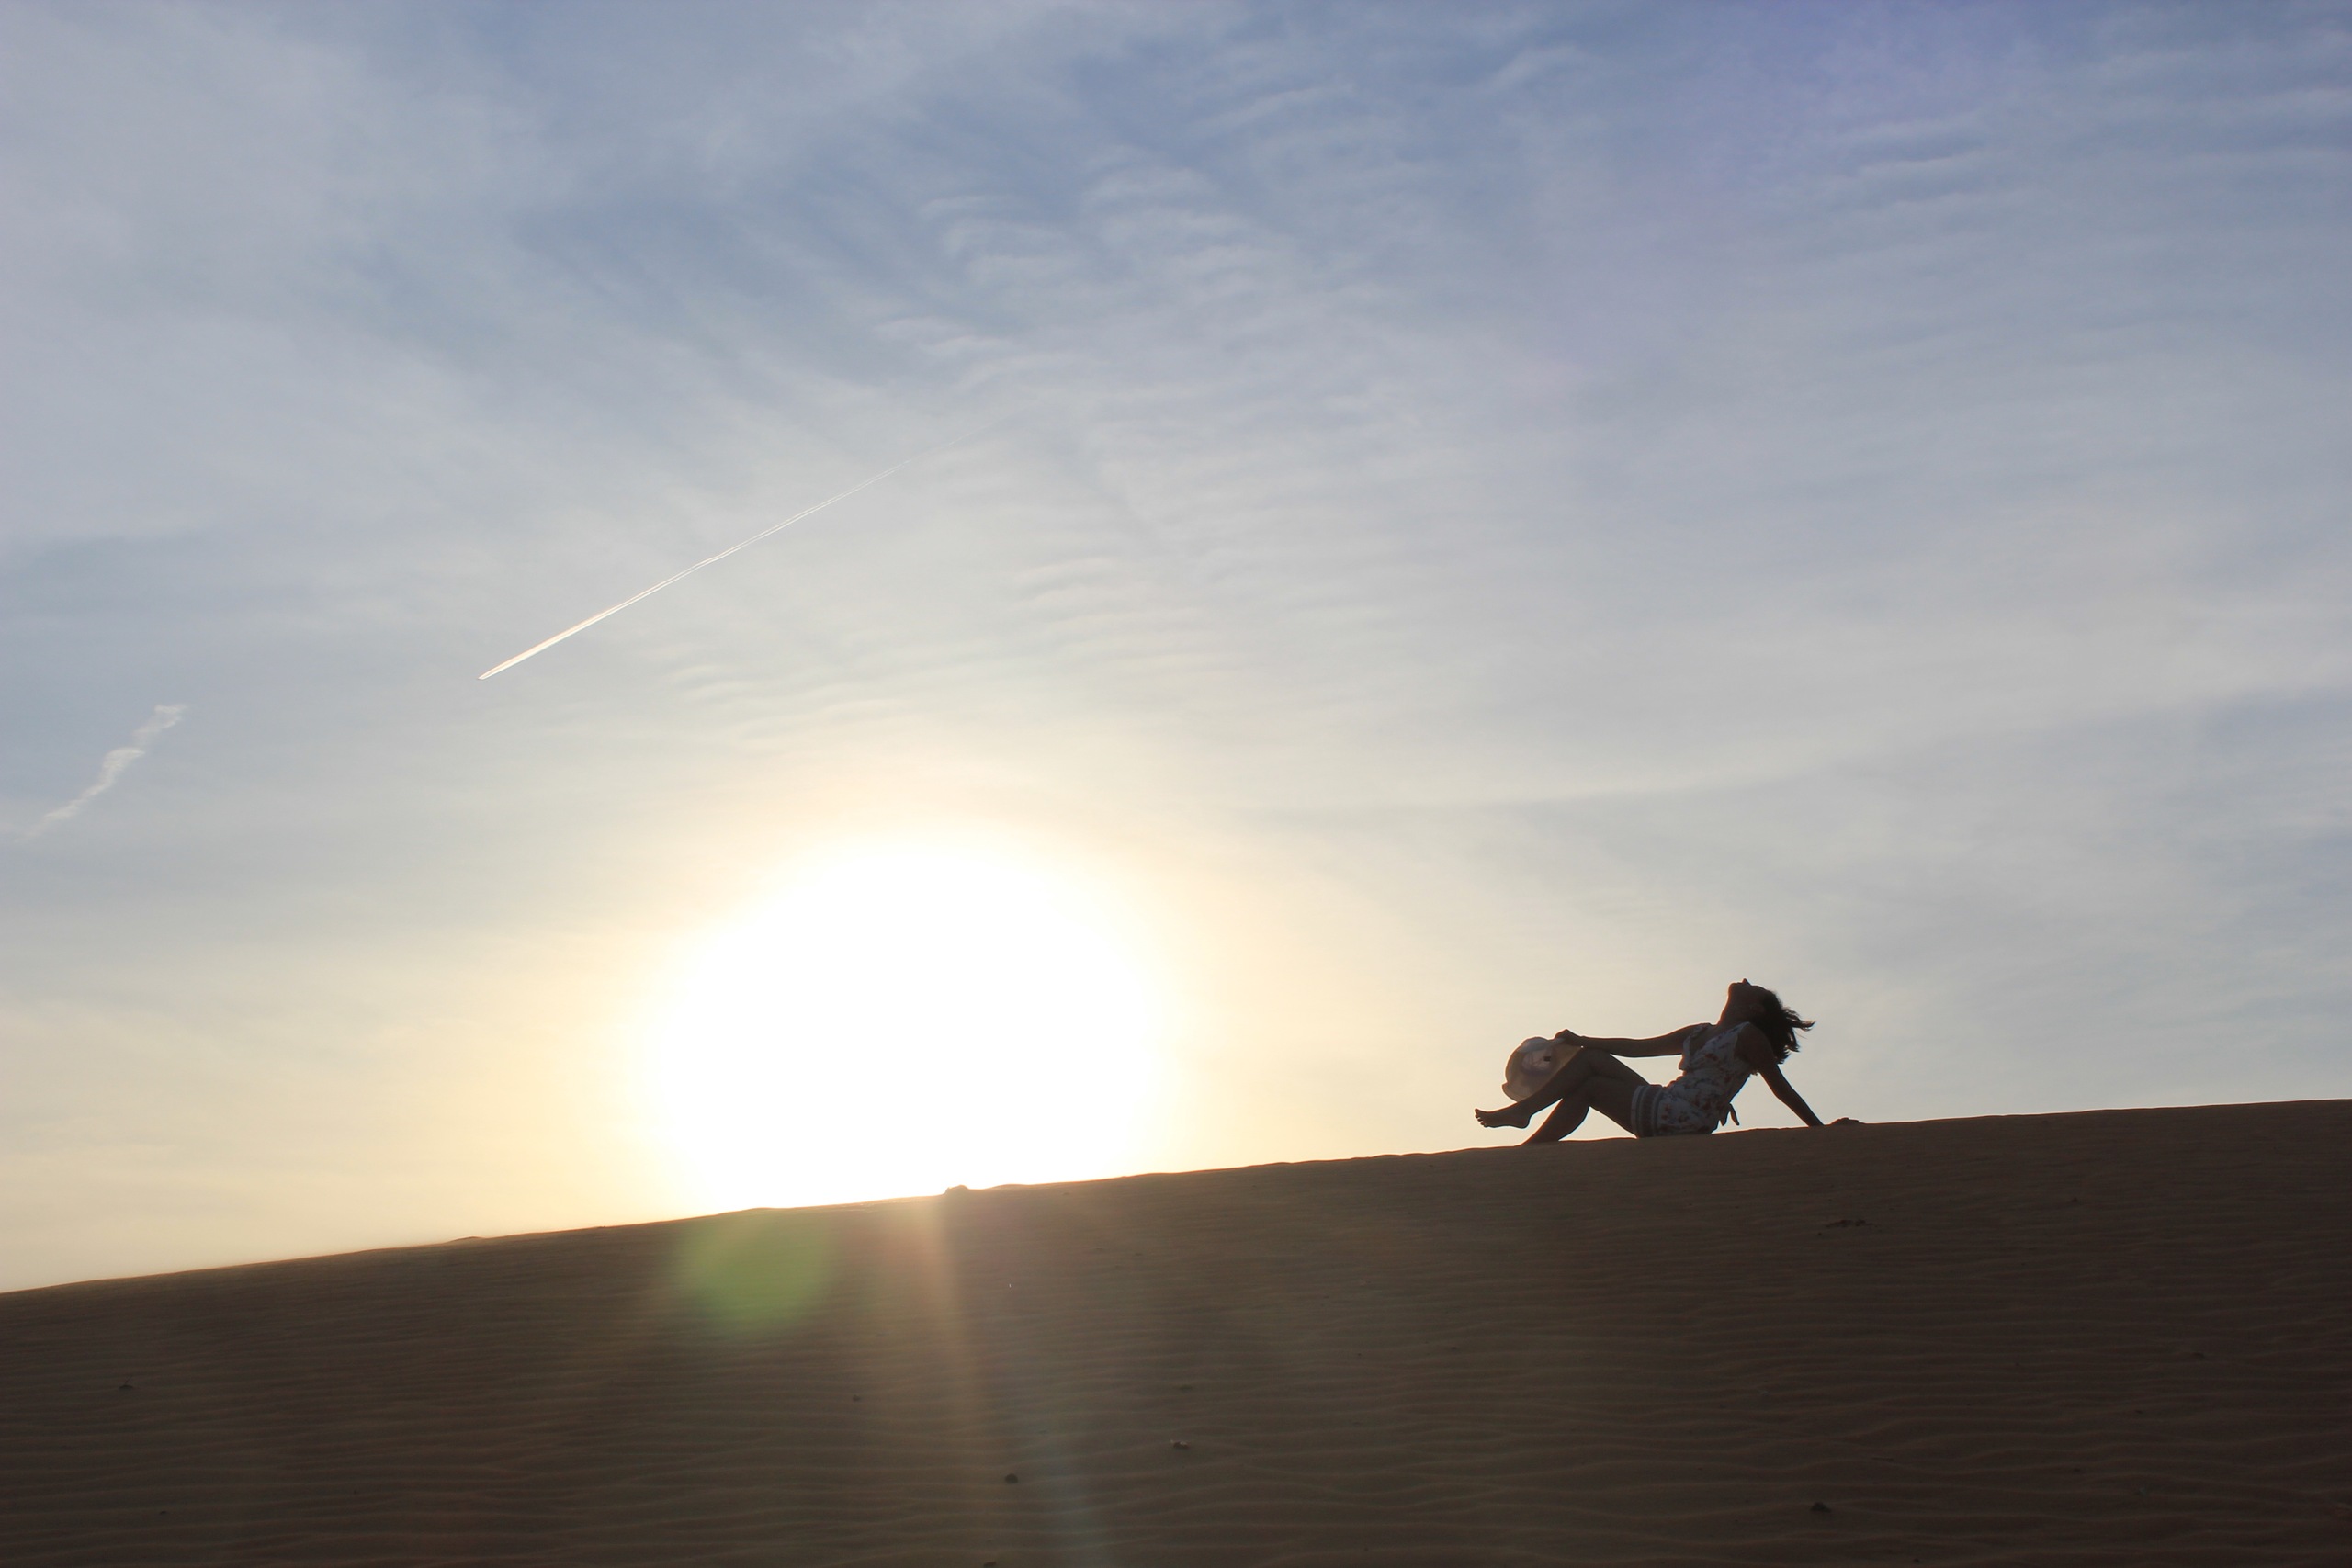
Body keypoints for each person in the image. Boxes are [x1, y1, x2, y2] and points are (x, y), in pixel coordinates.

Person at [1475, 979, 1849, 1143]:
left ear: (1754, 1008)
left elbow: (1781, 1089)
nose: (1746, 981)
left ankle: (1526, 1128)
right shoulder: (1699, 1031)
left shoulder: (1747, 1036)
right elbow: (1638, 1047)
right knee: (1593, 1058)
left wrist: (1819, 1130)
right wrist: (1581, 1040)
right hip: (1670, 1102)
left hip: (1682, 1119)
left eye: (1756, 988)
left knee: (1591, 1087)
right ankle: (1526, 1124)